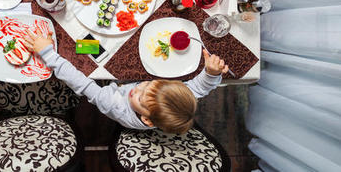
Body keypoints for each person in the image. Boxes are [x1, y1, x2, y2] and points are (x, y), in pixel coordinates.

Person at [23, 29, 228, 134]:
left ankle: (69, 45)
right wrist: (211, 73)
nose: (137, 89)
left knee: (77, 46)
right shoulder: (178, 95)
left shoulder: (114, 105)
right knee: (99, 44)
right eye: (147, 85)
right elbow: (201, 88)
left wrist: (48, 54)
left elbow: (82, 84)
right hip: (123, 78)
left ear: (147, 120)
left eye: (140, 98)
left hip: (108, 87)